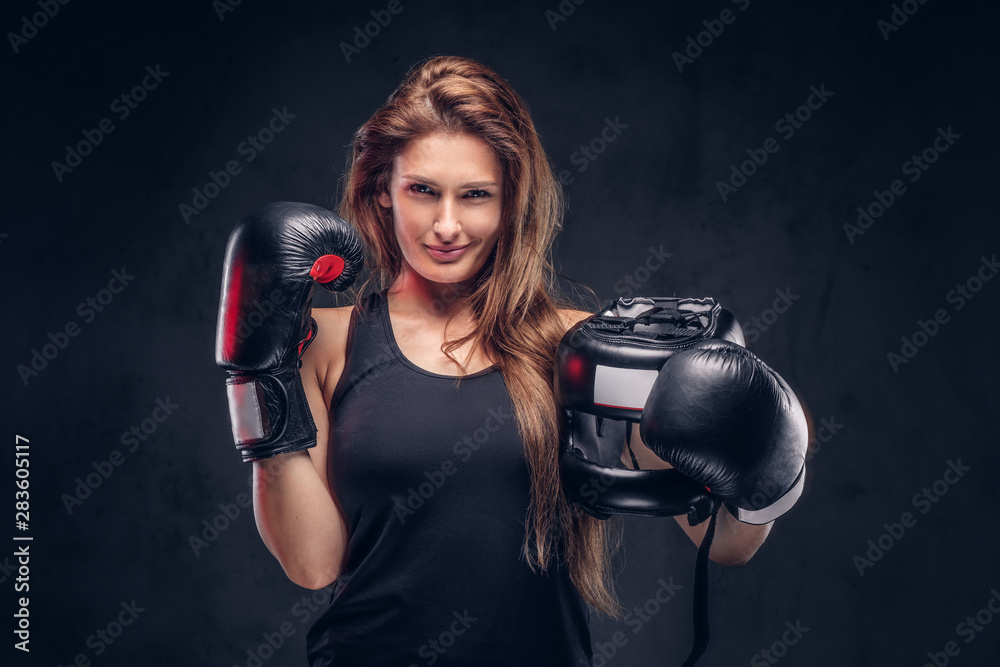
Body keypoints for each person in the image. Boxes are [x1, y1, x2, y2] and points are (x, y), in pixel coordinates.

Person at [235, 55, 774, 666]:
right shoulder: (323, 344)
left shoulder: (584, 349)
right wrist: (258, 379)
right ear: (381, 192)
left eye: (474, 196)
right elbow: (313, 564)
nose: (446, 225)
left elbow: (724, 542)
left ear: (509, 204)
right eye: (422, 191)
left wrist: (765, 454)